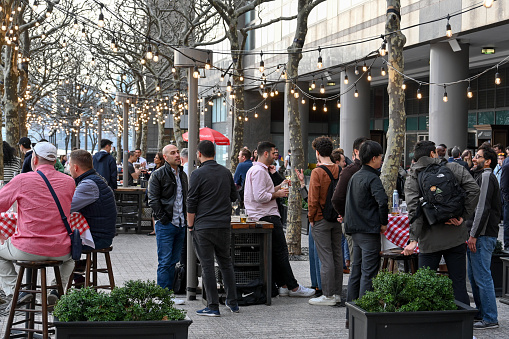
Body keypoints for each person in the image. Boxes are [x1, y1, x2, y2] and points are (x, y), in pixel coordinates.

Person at [403, 140, 480, 306]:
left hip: (429, 239)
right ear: (433, 153)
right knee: (458, 282)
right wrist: (463, 216)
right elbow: (474, 190)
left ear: (416, 159)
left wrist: (413, 239)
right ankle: (462, 324)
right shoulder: (452, 168)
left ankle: (429, 324)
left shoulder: (413, 177)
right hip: (455, 235)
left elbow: (414, 210)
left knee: (425, 284)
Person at [0, 142, 76, 305]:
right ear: (55, 161)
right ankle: (57, 289)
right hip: (60, 250)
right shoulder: (69, 182)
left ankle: (16, 291)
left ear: (34, 159)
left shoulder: (21, 180)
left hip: (27, 249)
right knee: (71, 258)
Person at [244, 141, 315, 297]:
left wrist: (278, 186)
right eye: (273, 152)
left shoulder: (257, 170)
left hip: (262, 215)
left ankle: (283, 285)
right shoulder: (259, 172)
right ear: (266, 153)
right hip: (267, 215)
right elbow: (260, 196)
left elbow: (263, 192)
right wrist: (278, 194)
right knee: (281, 252)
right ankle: (293, 287)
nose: (276, 156)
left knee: (275, 253)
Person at [187, 141, 239, 316]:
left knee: (207, 265)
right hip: (223, 225)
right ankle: (233, 302)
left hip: (204, 226)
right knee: (226, 263)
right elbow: (234, 196)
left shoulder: (197, 174)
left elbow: (191, 202)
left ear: (199, 154)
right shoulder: (225, 172)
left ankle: (213, 306)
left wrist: (190, 225)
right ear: (214, 153)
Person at [344, 140, 388, 328]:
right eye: (380, 158)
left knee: (356, 272)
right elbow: (383, 201)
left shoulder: (355, 176)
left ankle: (350, 315)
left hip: (355, 230)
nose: (381, 161)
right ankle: (363, 316)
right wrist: (383, 222)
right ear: (374, 158)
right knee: (368, 274)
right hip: (369, 231)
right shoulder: (372, 178)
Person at [466, 145, 500, 330]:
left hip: (483, 236)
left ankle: (489, 317)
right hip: (481, 235)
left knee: (482, 276)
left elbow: (482, 208)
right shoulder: (482, 176)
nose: (474, 159)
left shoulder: (486, 176)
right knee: (475, 276)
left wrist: (473, 235)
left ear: (487, 161)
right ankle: (481, 314)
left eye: (478, 157)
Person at [307, 136, 343, 306]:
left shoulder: (317, 172)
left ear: (317, 152)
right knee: (337, 255)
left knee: (325, 258)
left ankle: (327, 295)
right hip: (336, 218)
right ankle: (336, 293)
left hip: (321, 218)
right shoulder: (339, 169)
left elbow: (312, 199)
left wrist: (311, 218)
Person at [147, 145, 187, 292]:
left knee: (173, 261)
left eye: (177, 152)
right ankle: (163, 295)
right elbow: (153, 200)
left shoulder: (182, 174)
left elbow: (185, 198)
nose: (177, 155)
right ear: (165, 157)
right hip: (166, 224)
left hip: (180, 223)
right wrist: (163, 219)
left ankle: (169, 292)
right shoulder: (158, 175)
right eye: (173, 153)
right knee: (164, 261)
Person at [331, 137, 368, 267]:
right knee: (356, 263)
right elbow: (337, 198)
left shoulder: (372, 170)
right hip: (353, 223)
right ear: (356, 151)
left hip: (366, 224)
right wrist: (346, 215)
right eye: (365, 148)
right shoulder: (349, 171)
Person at [69, 149, 117, 250]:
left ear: (75, 167)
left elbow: (67, 207)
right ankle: (77, 265)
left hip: (98, 238)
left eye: (69, 166)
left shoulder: (88, 184)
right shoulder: (94, 179)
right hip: (101, 233)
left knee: (58, 242)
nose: (69, 169)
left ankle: (72, 265)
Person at [147, 152, 164, 236]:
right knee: (153, 212)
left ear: (161, 160)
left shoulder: (160, 170)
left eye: (156, 158)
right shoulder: (155, 168)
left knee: (155, 212)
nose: (154, 159)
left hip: (156, 194)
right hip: (152, 193)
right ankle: (155, 229)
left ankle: (156, 229)